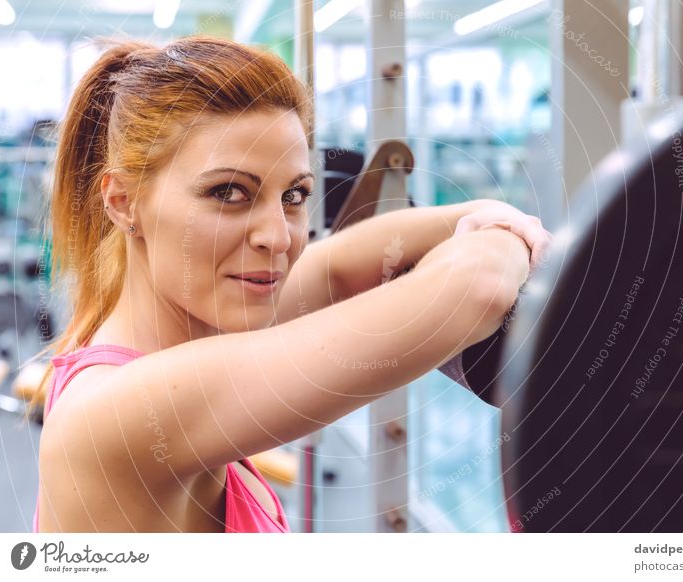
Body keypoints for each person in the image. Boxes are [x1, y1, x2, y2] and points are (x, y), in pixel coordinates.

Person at [33, 35, 552, 533]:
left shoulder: (197, 319)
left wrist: (487, 212)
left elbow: (337, 267)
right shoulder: (119, 414)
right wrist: (506, 238)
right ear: (123, 202)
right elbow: (474, 290)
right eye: (228, 193)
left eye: (294, 195)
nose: (277, 238)